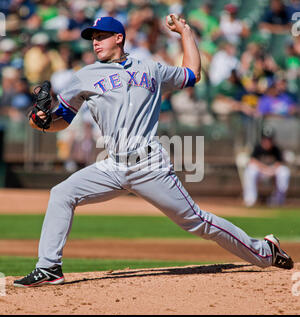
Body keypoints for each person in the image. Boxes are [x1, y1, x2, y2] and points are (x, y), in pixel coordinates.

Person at [14, 15, 293, 288]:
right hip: (113, 165)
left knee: (196, 221)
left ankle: (265, 251)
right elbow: (60, 119)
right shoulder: (85, 76)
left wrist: (186, 34)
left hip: (149, 165)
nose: (95, 43)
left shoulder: (151, 69)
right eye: (93, 39)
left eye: (101, 37)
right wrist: (41, 122)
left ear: (118, 38)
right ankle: (49, 267)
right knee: (62, 193)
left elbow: (193, 74)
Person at [243, 127, 290, 207]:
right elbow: (252, 161)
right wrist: (264, 169)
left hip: (272, 171)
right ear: (262, 139)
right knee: (250, 170)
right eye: (266, 139)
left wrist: (271, 170)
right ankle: (250, 199)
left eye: (269, 139)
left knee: (284, 171)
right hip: (261, 171)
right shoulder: (258, 148)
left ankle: (279, 200)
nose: (268, 142)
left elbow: (280, 163)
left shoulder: (276, 149)